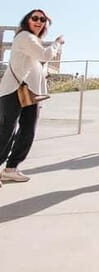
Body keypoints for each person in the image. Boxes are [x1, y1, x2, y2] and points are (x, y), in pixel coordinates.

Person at [0, 10, 63, 186]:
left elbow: (36, 64)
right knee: (7, 130)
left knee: (28, 130)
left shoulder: (34, 40)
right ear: (27, 20)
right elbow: (45, 55)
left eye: (42, 19)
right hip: (14, 90)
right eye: (34, 18)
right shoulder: (25, 37)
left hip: (29, 92)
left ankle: (11, 168)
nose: (39, 21)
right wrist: (57, 43)